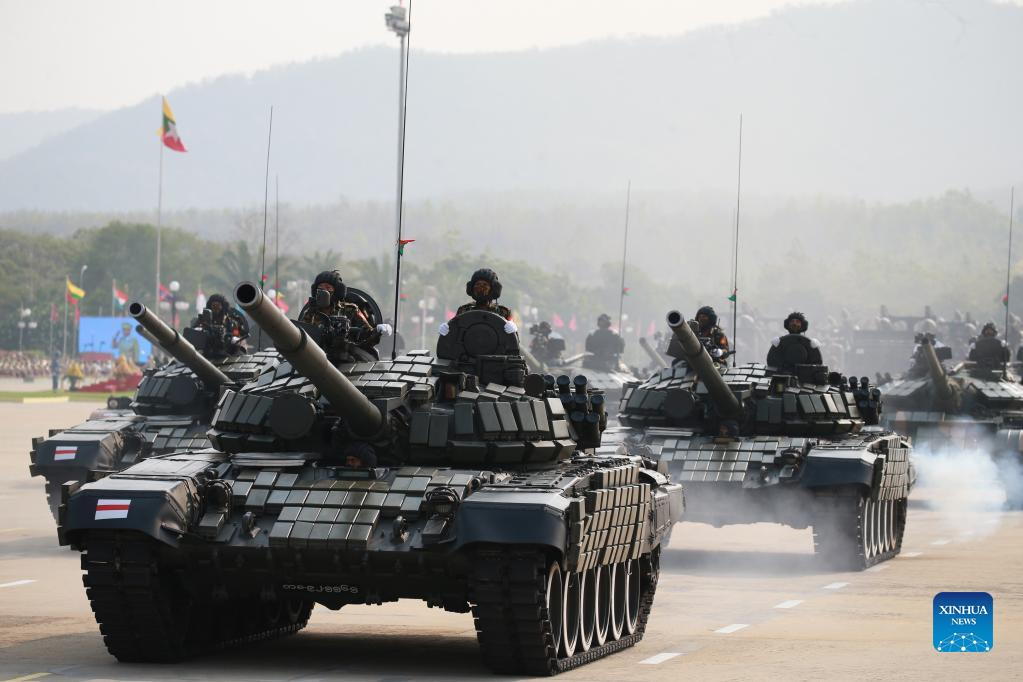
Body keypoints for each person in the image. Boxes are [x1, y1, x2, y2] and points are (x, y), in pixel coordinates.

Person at [440, 268, 516, 336]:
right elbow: (455, 333)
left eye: (485, 284)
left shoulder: (503, 312)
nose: (481, 287)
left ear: (493, 289)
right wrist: (447, 329)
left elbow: (512, 340)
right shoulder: (464, 310)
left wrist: (513, 328)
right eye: (478, 284)